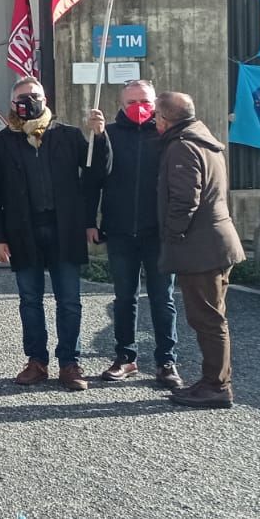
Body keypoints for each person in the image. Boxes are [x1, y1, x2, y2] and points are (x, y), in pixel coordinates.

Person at [0, 76, 108, 391]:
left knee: (69, 300)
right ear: (13, 104)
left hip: (64, 230)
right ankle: (36, 361)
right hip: (23, 232)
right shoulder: (0, 143)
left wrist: (100, 136)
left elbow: (96, 172)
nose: (29, 101)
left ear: (46, 98)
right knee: (29, 300)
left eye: (34, 95)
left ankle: (69, 363)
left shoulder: (68, 136)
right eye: (22, 97)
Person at [87, 80, 183, 389]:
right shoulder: (108, 135)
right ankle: (125, 358)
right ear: (121, 104)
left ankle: (166, 362)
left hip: (158, 232)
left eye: (144, 101)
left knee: (162, 298)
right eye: (131, 102)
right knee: (124, 298)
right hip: (119, 230)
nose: (139, 107)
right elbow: (93, 179)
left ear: (156, 103)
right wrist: (91, 220)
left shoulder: (167, 135)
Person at [155, 92, 243, 409]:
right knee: (213, 318)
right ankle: (214, 381)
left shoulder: (182, 146)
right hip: (217, 242)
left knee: (208, 319)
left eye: (156, 116)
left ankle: (217, 386)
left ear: (165, 119)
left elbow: (184, 199)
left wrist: (171, 235)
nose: (153, 121)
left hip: (201, 248)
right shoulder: (206, 141)